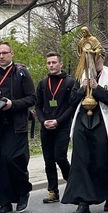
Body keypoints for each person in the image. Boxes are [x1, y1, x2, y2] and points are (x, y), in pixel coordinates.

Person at [62, 49, 108, 213]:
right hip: (82, 122)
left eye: (95, 59)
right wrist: (82, 89)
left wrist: (97, 89)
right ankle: (83, 201)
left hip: (101, 122)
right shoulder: (80, 76)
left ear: (102, 59)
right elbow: (72, 101)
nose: (91, 62)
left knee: (101, 161)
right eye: (88, 59)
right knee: (80, 162)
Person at [0, 41, 36, 213]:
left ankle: (23, 192)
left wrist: (12, 104)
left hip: (15, 125)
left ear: (12, 54)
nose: (1, 56)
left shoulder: (21, 72)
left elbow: (32, 98)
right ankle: (5, 202)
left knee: (13, 160)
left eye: (4, 53)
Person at [35, 52, 75, 203]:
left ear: (60, 64)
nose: (51, 65)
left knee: (60, 157)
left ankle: (73, 183)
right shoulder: (43, 83)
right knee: (48, 160)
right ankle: (53, 191)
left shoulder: (70, 83)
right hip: (46, 127)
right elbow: (38, 105)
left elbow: (72, 106)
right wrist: (42, 120)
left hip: (62, 126)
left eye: (53, 62)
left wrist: (58, 121)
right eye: (48, 63)